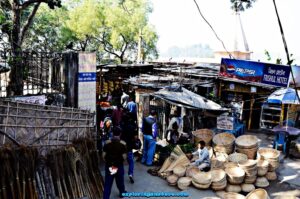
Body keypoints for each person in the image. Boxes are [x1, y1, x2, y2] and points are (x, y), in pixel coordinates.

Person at [103, 126, 127, 199]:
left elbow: (103, 155)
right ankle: (122, 193)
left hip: (110, 165)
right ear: (120, 134)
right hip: (118, 165)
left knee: (108, 183)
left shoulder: (107, 143)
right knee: (120, 181)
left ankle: (106, 197)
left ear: (112, 133)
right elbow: (124, 157)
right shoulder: (123, 144)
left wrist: (107, 161)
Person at [120, 113, 138, 183]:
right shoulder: (132, 127)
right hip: (129, 147)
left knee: (121, 161)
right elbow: (135, 138)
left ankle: (121, 174)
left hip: (122, 147)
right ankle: (130, 174)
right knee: (131, 162)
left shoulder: (121, 127)